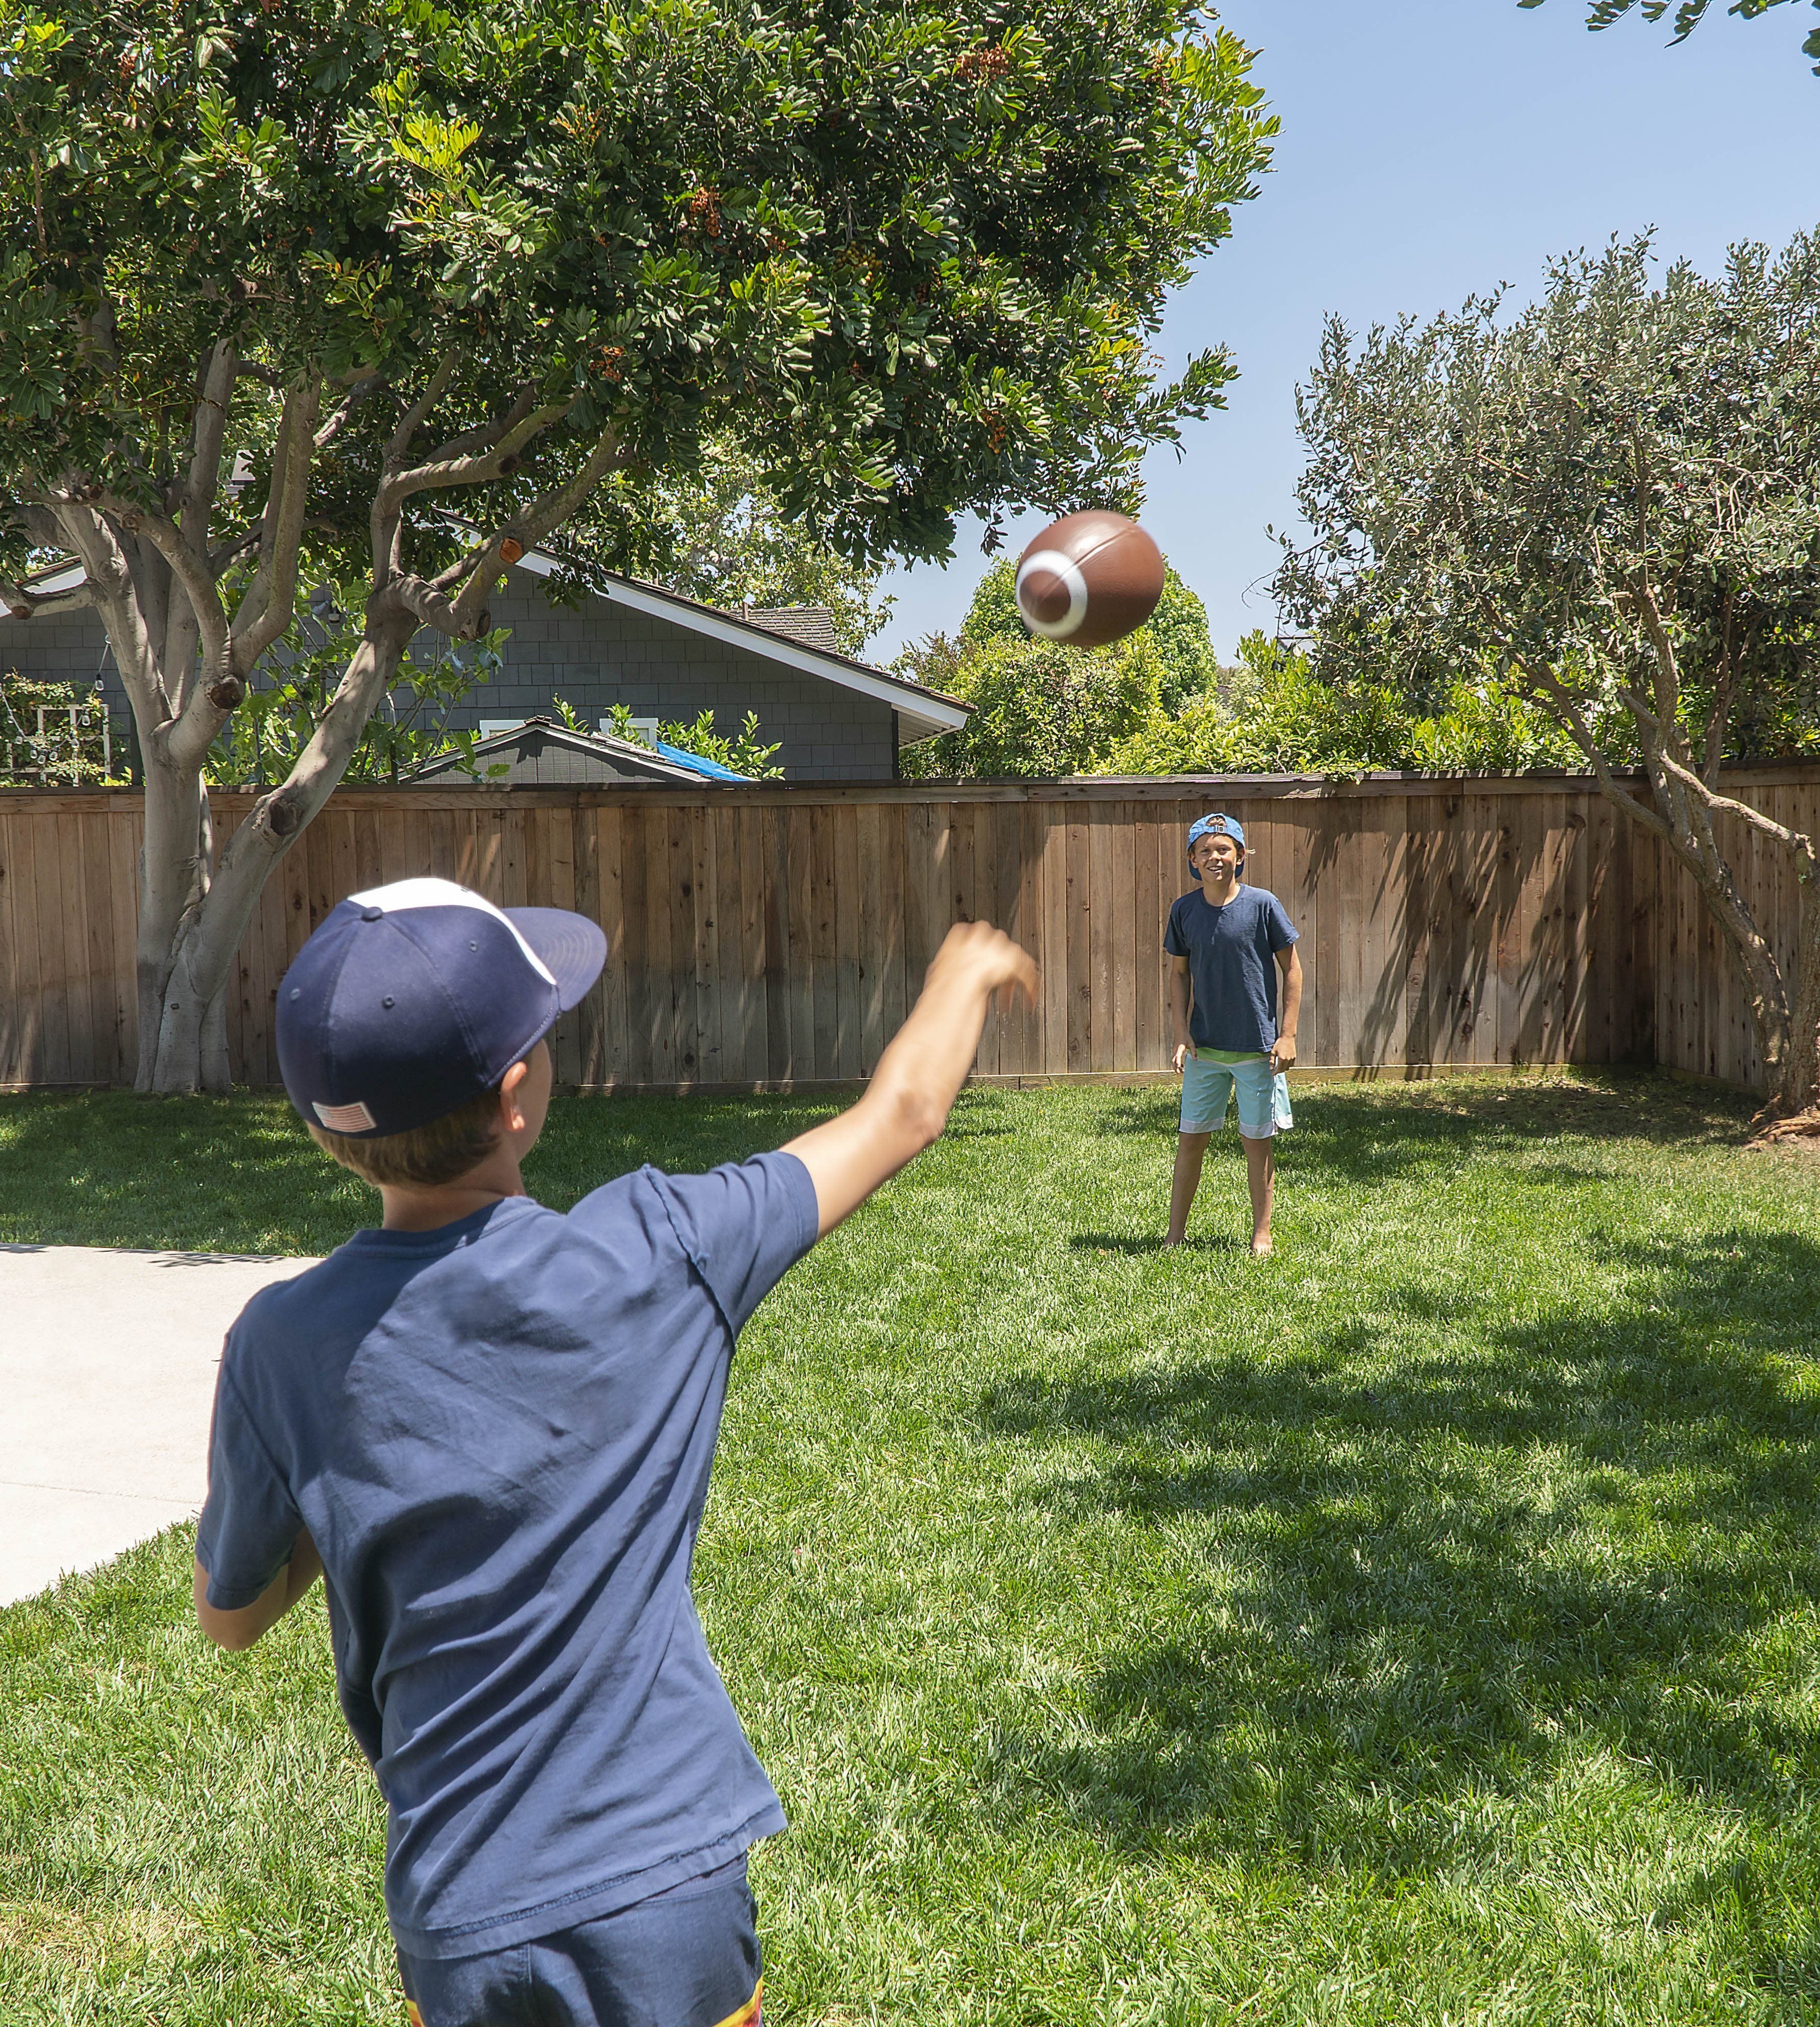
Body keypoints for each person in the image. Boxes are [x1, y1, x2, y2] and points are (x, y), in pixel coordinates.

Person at [190, 877, 1036, 2027]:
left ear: (325, 1131)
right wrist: (965, 972)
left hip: (459, 1912)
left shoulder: (278, 1347)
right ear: (518, 1091)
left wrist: (331, 1490)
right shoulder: (659, 1248)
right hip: (668, 1896)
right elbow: (901, 1117)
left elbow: (230, 1615)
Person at [1163, 813, 1302, 1255]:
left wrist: (1288, 1035)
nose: (1215, 857)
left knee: (1256, 1143)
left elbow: (1293, 970)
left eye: (1224, 849)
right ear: (1192, 859)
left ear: (1241, 856)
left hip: (1257, 1050)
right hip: (1205, 1049)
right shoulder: (1184, 911)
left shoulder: (1263, 905)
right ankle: (1175, 1234)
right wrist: (1182, 1033)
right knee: (1191, 1142)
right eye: (1205, 850)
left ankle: (1262, 1233)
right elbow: (1179, 975)